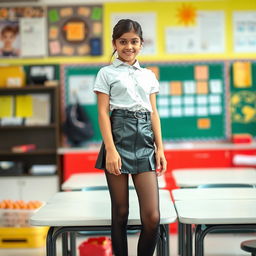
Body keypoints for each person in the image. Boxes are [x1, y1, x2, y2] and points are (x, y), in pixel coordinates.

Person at [93, 19, 167, 256]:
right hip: (118, 137)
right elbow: (103, 113)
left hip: (145, 140)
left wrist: (160, 149)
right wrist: (111, 150)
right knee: (121, 212)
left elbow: (154, 113)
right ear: (115, 43)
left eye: (134, 41)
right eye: (123, 41)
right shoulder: (106, 73)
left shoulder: (149, 75)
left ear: (141, 44)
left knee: (152, 216)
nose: (129, 46)